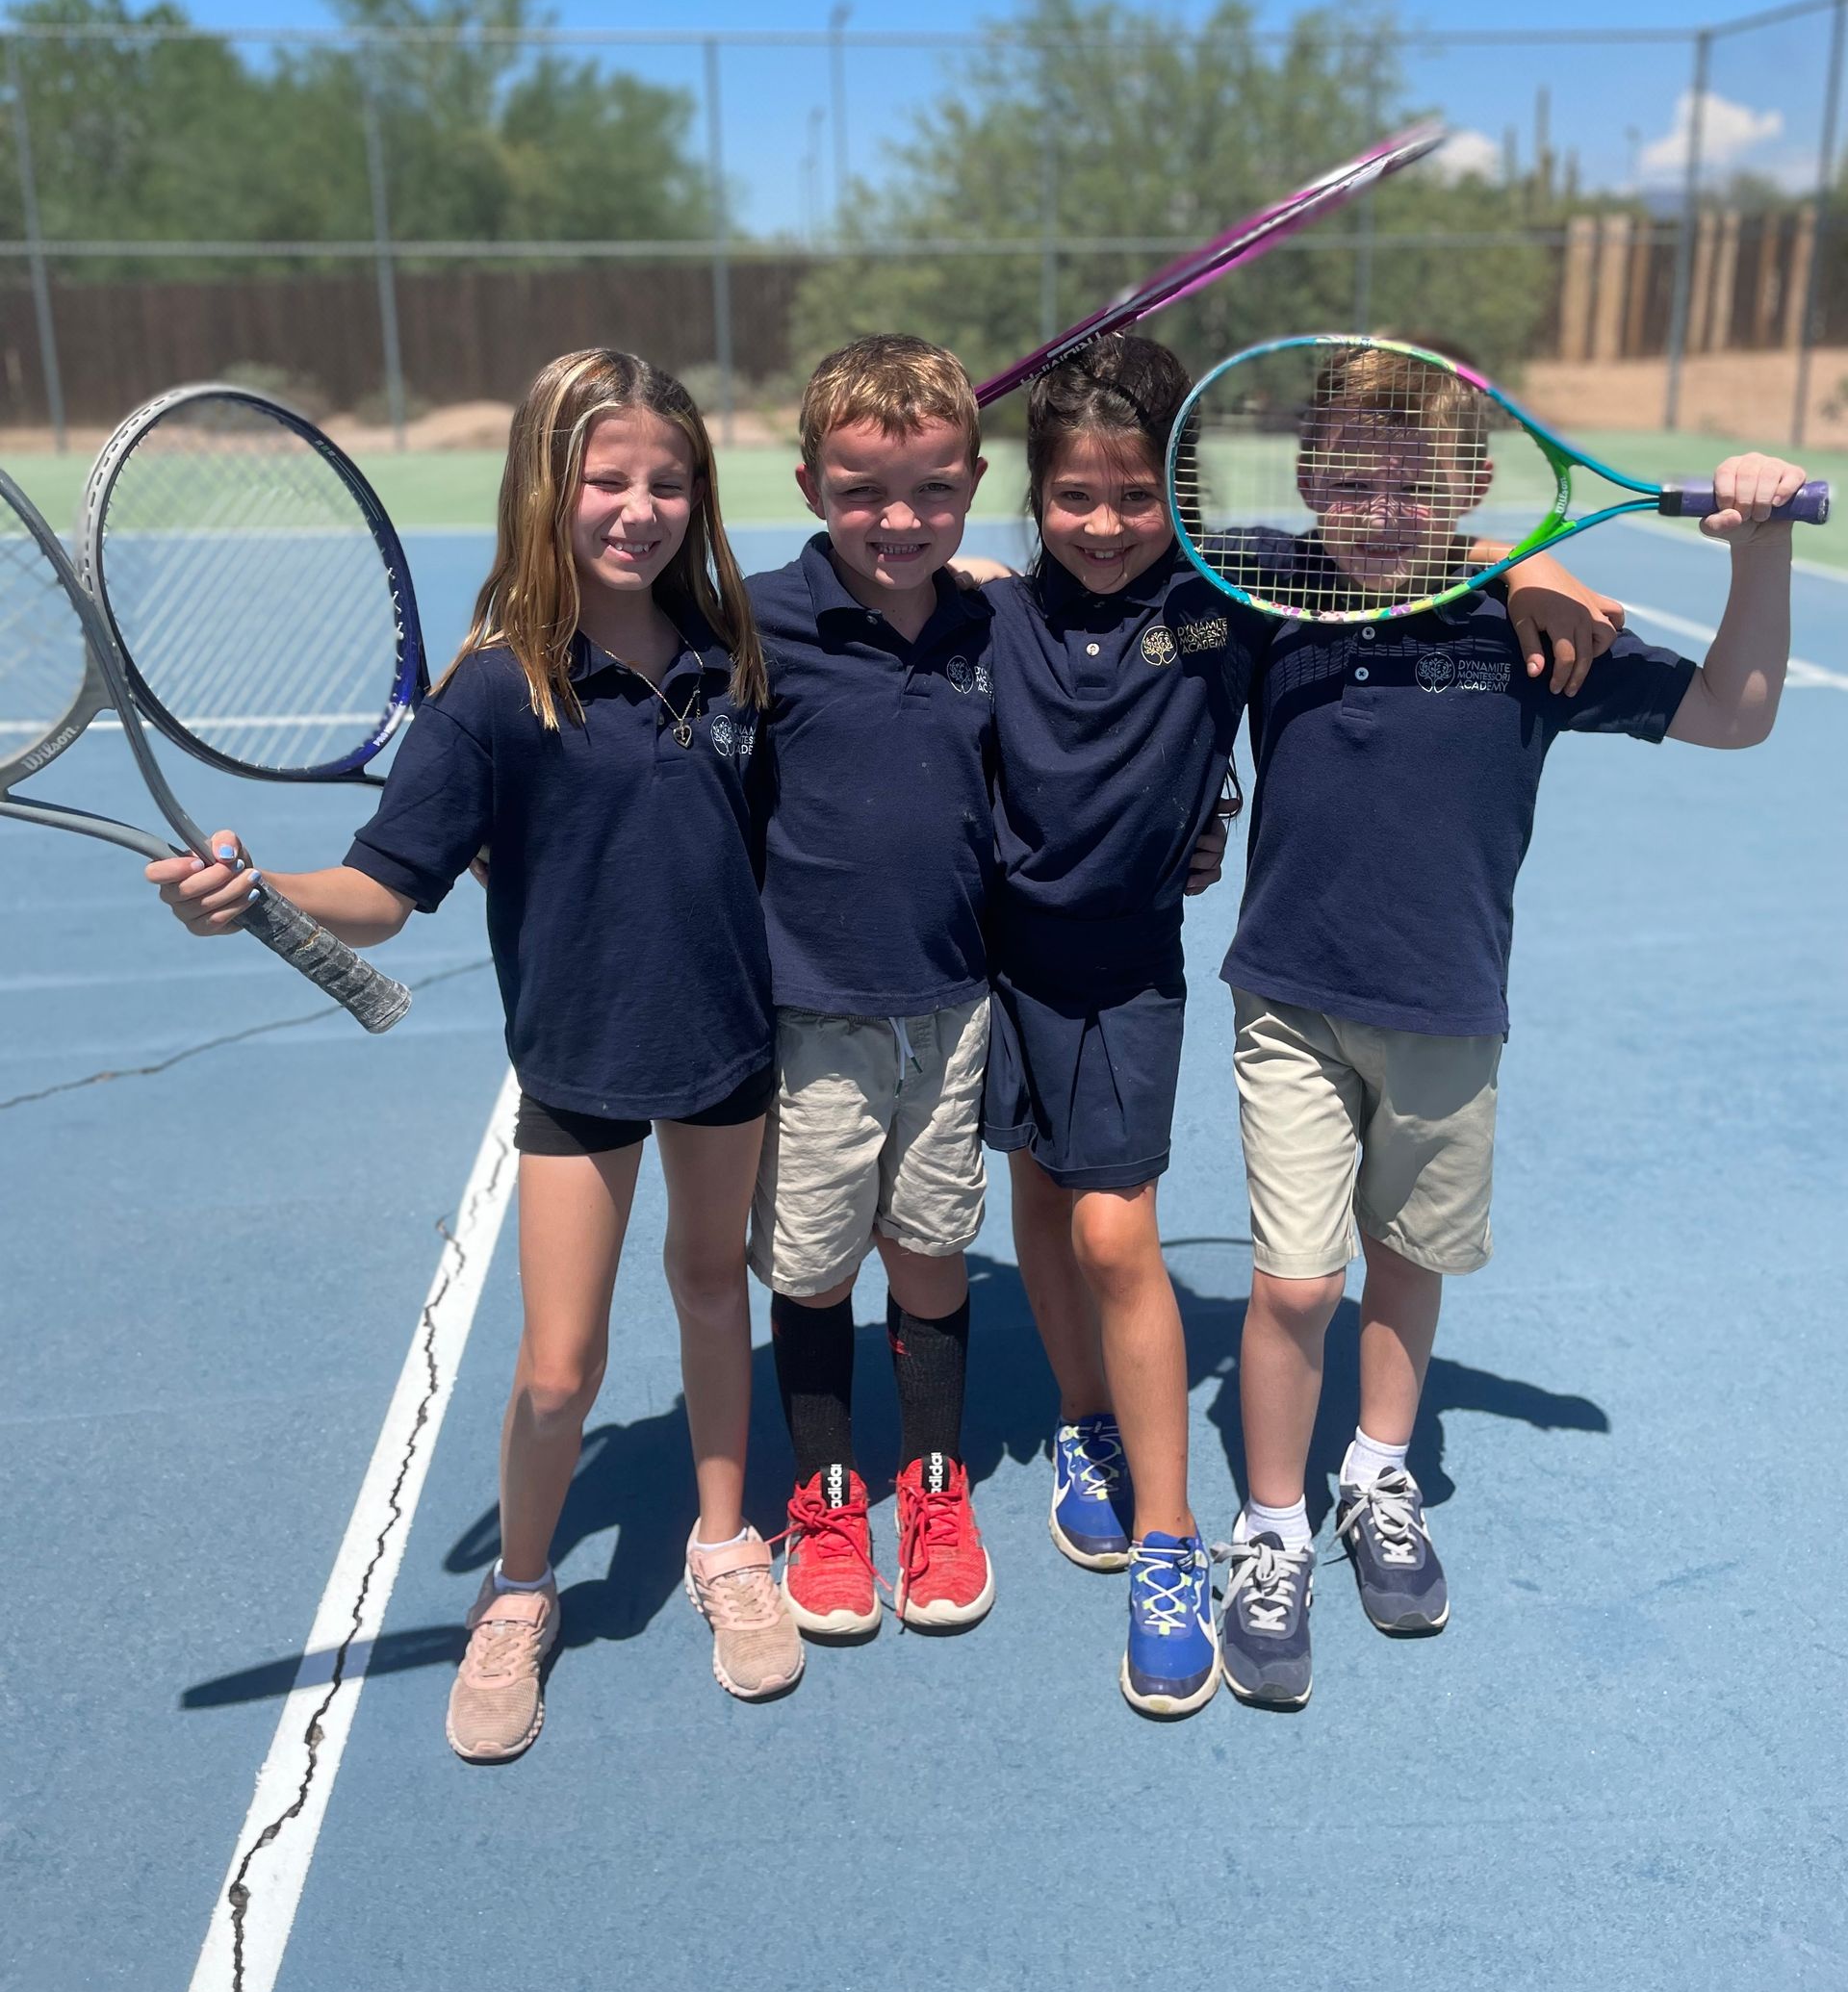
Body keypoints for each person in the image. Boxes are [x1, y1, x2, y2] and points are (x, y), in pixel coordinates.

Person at [145, 347, 804, 1759]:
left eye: (668, 480)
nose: (640, 506)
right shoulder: (496, 692)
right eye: (606, 477)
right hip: (577, 1061)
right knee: (558, 1369)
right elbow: (382, 891)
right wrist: (255, 898)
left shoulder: (732, 648)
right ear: (544, 488)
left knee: (709, 1286)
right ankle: (521, 1590)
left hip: (729, 1047)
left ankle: (727, 1538)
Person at [987, 334, 1623, 1717]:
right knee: (1037, 1201)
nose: (1105, 523)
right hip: (1001, 957)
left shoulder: (1236, 592)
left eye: (1136, 496)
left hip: (1164, 971)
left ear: (1183, 499)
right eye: (1072, 497)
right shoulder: (1142, 596)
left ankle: (1267, 1510)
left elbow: (1383, 539)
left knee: (1180, 1239)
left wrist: (1526, 559)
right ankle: (1103, 1426)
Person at [1216, 348, 1806, 1711]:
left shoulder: (1534, 630)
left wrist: (1755, 553)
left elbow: (1736, 716)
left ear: (1474, 484)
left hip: (1450, 1011)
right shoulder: (1266, 591)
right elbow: (1108, 560)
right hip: (1289, 1006)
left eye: (1417, 483)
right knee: (1296, 1284)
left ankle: (1373, 1472)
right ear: (1308, 482)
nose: (1378, 505)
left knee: (1407, 1258)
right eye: (1348, 478)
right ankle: (1272, 1530)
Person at [745, 336, 1007, 1637]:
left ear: (972, 482)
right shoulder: (754, 622)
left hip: (954, 1008)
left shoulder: (990, 620)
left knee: (933, 1253)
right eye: (862, 493)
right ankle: (830, 1495)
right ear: (808, 486)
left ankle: (937, 1485)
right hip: (811, 1018)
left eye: (931, 493)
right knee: (810, 1272)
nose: (898, 522)